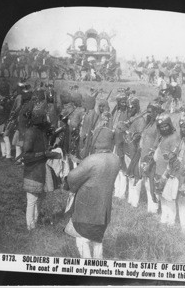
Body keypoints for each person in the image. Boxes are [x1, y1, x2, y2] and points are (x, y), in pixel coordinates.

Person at [65, 125, 119, 259]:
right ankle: (98, 267)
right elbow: (96, 170)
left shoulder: (92, 159)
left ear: (97, 140)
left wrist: (69, 185)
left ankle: (87, 268)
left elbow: (72, 177)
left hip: (86, 211)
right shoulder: (115, 159)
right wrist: (81, 162)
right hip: (103, 212)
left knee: (82, 239)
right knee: (97, 241)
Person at [22, 102, 60, 230]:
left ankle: (35, 222)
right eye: (45, 118)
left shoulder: (40, 131)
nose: (47, 121)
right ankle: (30, 226)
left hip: (41, 171)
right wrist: (45, 153)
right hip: (32, 171)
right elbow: (26, 156)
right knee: (32, 201)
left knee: (39, 199)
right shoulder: (31, 133)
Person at [153, 113, 181, 226]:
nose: (164, 128)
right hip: (159, 170)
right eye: (161, 127)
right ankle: (164, 217)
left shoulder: (174, 137)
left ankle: (171, 220)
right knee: (162, 196)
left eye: (166, 126)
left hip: (168, 172)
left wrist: (167, 173)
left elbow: (173, 158)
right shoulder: (163, 137)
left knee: (169, 197)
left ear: (170, 125)